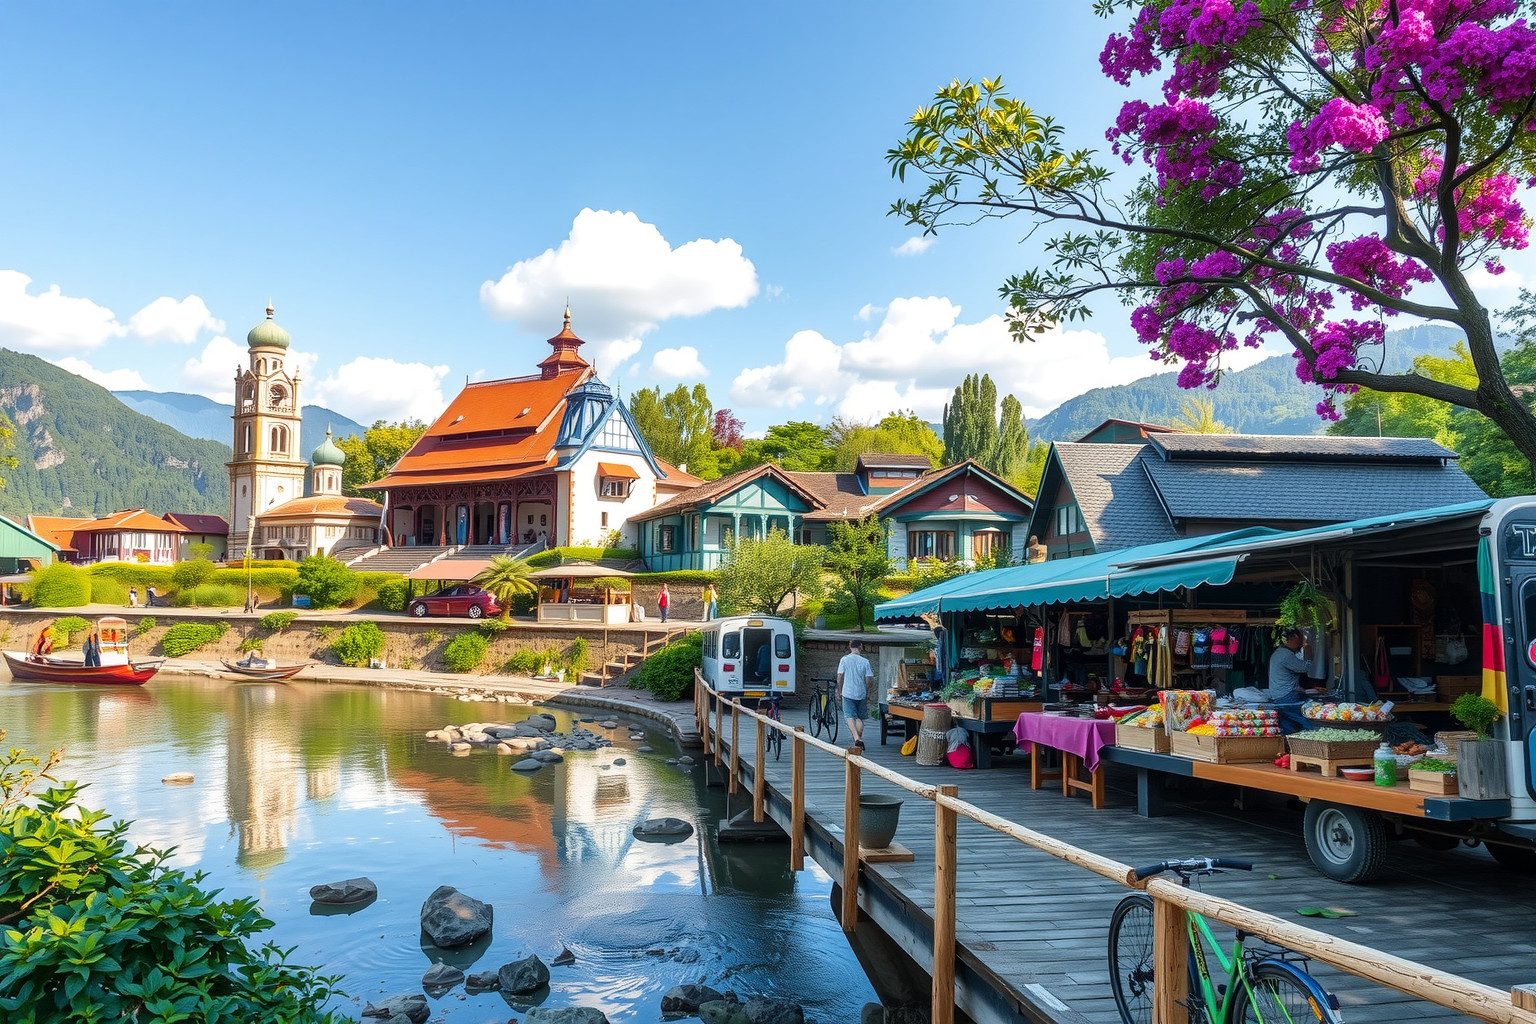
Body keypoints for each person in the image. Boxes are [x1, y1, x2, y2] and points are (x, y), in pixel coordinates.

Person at [837, 638, 875, 753]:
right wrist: (867, 689)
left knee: (849, 716)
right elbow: (869, 680)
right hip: (861, 693)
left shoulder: (844, 660)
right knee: (859, 718)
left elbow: (840, 676)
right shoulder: (865, 662)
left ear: (850, 646)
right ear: (861, 647)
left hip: (847, 692)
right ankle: (858, 740)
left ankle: (857, 738)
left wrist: (839, 689)